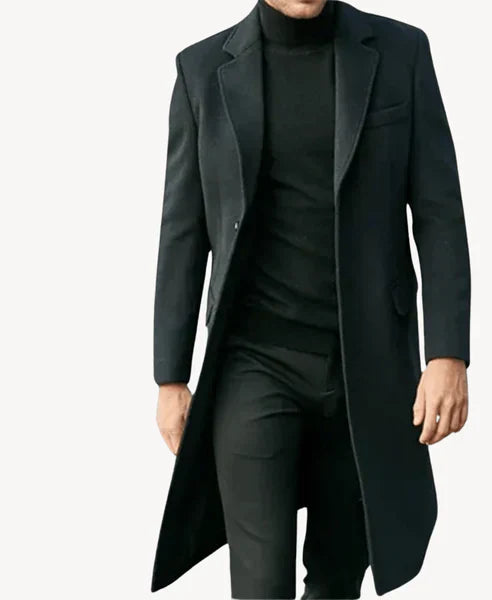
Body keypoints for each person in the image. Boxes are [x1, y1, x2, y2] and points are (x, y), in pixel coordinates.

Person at [152, 0, 471, 598]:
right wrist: (170, 378)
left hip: (366, 368)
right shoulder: (202, 71)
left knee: (337, 580)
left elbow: (439, 213)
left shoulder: (400, 53)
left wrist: (447, 354)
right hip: (254, 363)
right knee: (260, 584)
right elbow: (183, 231)